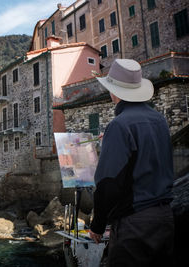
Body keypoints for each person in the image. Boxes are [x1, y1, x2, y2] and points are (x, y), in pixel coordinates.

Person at [89, 59, 174, 266]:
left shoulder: (119, 125)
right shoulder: (159, 120)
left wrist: (97, 225)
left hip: (135, 226)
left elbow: (108, 184)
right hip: (165, 218)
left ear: (115, 92)